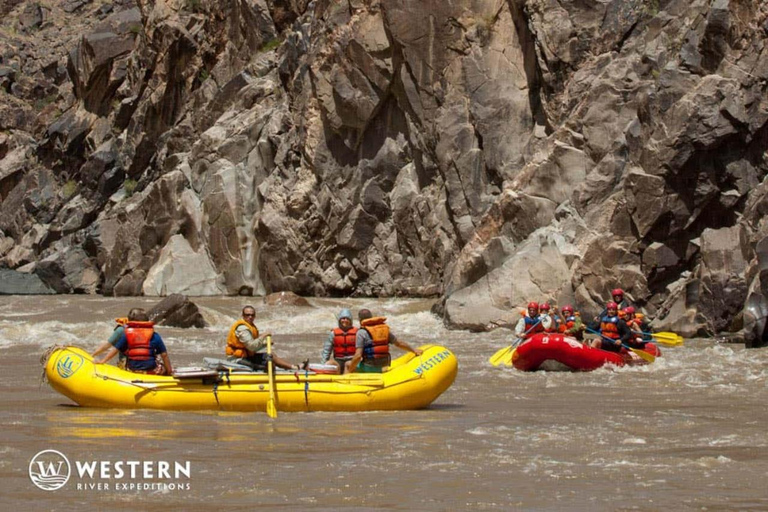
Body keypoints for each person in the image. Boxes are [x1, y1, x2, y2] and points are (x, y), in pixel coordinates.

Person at [94, 309, 173, 375]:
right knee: (162, 367)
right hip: (151, 370)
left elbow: (115, 350)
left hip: (132, 370)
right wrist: (169, 371)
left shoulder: (126, 334)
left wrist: (102, 361)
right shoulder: (155, 335)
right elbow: (164, 355)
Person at [346, 309, 422, 374]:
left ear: (360, 320)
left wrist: (350, 370)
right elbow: (399, 343)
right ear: (372, 317)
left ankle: (346, 384)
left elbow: (358, 356)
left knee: (348, 364)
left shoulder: (361, 332)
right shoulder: (383, 329)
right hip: (384, 365)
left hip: (369, 367)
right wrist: (414, 350)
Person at [226, 305, 300, 371]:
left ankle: (293, 367)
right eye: (247, 315)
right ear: (243, 315)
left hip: (246, 356)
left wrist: (265, 343)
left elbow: (252, 347)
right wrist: (263, 336)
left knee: (271, 355)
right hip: (236, 359)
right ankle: (290, 368)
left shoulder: (250, 326)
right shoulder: (243, 328)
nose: (250, 317)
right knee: (268, 363)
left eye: (252, 315)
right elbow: (252, 347)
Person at [321, 309, 357, 374]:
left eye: (347, 319)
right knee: (329, 363)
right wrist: (323, 364)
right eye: (343, 318)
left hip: (352, 360)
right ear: (339, 320)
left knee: (348, 364)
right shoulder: (333, 333)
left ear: (350, 321)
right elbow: (326, 351)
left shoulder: (357, 333)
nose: (345, 320)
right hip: (338, 360)